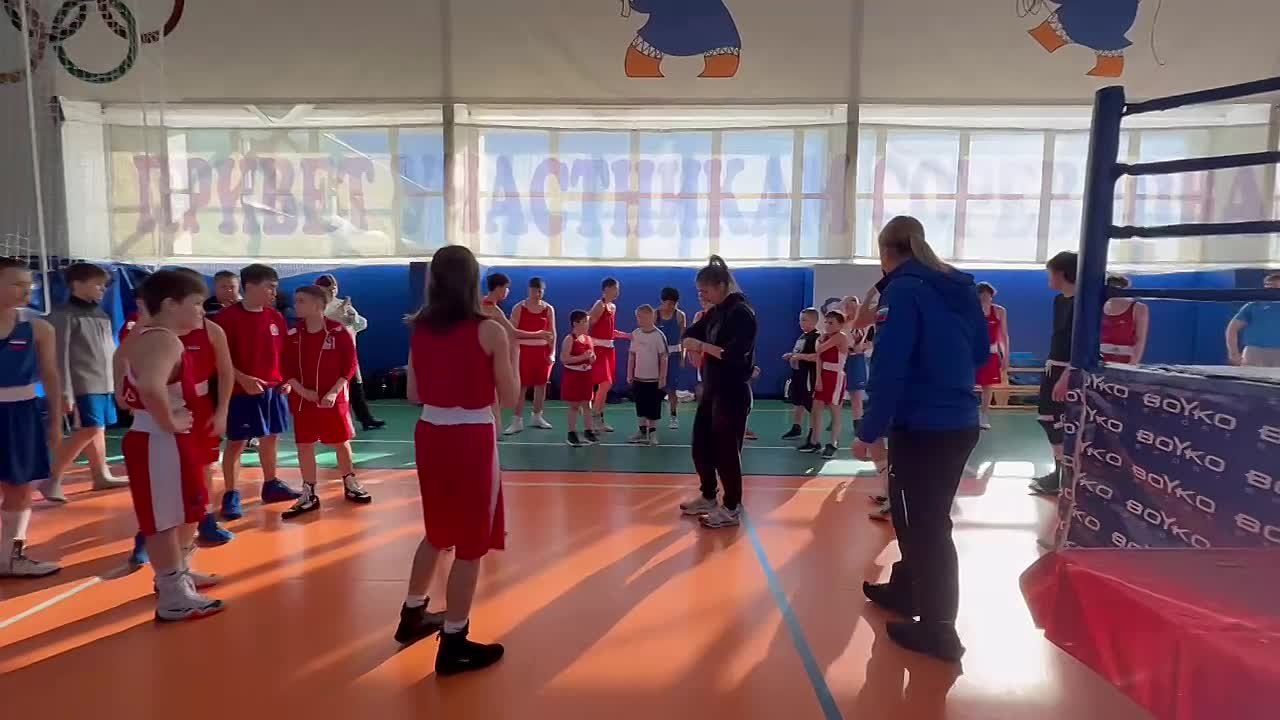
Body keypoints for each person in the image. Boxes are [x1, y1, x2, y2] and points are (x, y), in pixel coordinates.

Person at [852, 215, 987, 663]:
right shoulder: (957, 288)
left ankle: (939, 627)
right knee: (918, 517)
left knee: (925, 525)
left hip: (924, 425)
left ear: (886, 252)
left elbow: (889, 366)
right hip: (958, 420)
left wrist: (869, 430)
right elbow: (980, 352)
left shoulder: (904, 291)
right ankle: (907, 589)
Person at [400, 245, 515, 675]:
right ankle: (454, 642)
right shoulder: (489, 331)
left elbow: (412, 393)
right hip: (471, 437)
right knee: (470, 544)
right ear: (472, 280)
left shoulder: (419, 328)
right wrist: (510, 347)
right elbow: (510, 396)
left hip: (430, 432)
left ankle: (412, 614)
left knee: (437, 531)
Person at [119, 270, 226, 621]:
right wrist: (168, 421)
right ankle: (173, 595)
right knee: (164, 519)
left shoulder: (143, 336)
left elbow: (125, 373)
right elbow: (151, 386)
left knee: (174, 514)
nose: (202, 311)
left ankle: (177, 579)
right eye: (196, 303)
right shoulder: (165, 341)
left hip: (156, 438)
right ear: (170, 304)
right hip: (157, 440)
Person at [212, 264, 302, 520]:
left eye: (275, 288)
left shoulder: (275, 317)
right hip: (240, 391)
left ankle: (271, 484)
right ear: (249, 287)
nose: (274, 292)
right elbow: (218, 358)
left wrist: (286, 379)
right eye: (269, 287)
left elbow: (283, 353)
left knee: (271, 436)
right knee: (237, 442)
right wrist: (242, 378)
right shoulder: (226, 319)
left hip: (273, 390)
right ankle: (231, 493)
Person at [278, 286, 370, 519]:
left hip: (333, 399)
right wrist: (301, 391)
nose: (295, 305)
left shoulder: (338, 332)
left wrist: (333, 392)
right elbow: (285, 367)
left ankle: (350, 482)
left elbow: (349, 366)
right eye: (296, 301)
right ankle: (308, 491)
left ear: (318, 305)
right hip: (303, 401)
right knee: (304, 444)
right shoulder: (293, 335)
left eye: (301, 301)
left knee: (340, 441)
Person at [678, 256, 757, 529]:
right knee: (701, 446)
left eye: (705, 291)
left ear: (721, 286)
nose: (701, 296)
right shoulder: (716, 312)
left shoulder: (742, 313)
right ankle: (708, 496)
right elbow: (691, 332)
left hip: (732, 391)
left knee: (726, 453)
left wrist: (702, 346)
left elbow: (735, 354)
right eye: (699, 291)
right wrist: (691, 341)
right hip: (711, 390)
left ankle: (732, 507)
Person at [42, 262, 128, 502]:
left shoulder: (101, 314)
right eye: (97, 284)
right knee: (90, 428)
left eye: (104, 285)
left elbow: (109, 350)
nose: (103, 289)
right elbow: (58, 356)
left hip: (103, 382)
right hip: (82, 384)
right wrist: (65, 391)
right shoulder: (63, 315)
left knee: (98, 429)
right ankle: (52, 478)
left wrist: (116, 380)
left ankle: (101, 475)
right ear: (77, 284)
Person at [0, 257, 63, 577]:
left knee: (20, 487)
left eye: (29, 285)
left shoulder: (38, 327)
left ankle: (10, 557)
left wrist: (55, 420)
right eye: (16, 284)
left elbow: (51, 374)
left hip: (22, 414)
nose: (26, 291)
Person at [1029, 251, 1078, 496]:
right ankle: (1059, 473)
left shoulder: (1083, 303)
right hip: (1053, 367)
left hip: (1068, 370)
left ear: (1061, 273)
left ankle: (1066, 476)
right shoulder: (1060, 300)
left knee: (1061, 422)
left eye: (1051, 272)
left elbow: (1080, 344)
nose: (1048, 277)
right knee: (1048, 420)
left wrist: (1067, 375)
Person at [314, 274, 386, 431]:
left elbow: (361, 324)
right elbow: (318, 325)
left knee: (356, 385)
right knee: (331, 388)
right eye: (328, 288)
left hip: (348, 351)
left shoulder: (343, 304)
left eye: (334, 288)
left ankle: (366, 418)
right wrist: (337, 316)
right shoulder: (317, 306)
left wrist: (353, 318)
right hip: (328, 354)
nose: (332, 291)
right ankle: (326, 419)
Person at [794, 310, 850, 459]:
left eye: (831, 323)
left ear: (840, 325)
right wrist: (818, 379)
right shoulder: (825, 337)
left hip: (836, 376)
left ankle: (833, 444)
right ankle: (814, 442)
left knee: (835, 411)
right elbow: (819, 358)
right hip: (824, 374)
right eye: (826, 322)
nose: (827, 325)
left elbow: (819, 350)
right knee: (816, 409)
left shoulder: (840, 337)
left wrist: (820, 341)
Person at [505, 277, 556, 434]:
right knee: (521, 386)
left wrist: (552, 353)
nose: (537, 293)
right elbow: (512, 332)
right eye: (534, 290)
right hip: (523, 351)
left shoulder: (548, 309)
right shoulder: (519, 307)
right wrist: (536, 335)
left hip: (542, 353)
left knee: (541, 385)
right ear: (529, 290)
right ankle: (516, 420)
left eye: (540, 291)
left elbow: (553, 333)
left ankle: (537, 416)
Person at [588, 278, 631, 432]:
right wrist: (585, 346)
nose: (618, 292)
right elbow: (587, 325)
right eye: (615, 288)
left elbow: (609, 331)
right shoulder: (599, 305)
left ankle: (598, 418)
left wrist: (627, 335)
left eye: (618, 289)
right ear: (607, 289)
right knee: (604, 383)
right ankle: (594, 417)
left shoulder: (612, 307)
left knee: (607, 384)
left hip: (609, 349)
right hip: (598, 349)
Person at [627, 304, 669, 446]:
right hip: (639, 378)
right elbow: (632, 355)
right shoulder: (635, 334)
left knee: (653, 406)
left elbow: (664, 357)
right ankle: (642, 431)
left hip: (654, 379)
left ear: (652, 317)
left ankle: (652, 432)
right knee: (640, 405)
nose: (640, 320)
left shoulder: (659, 336)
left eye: (643, 317)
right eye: (638, 317)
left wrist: (662, 377)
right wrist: (630, 373)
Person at [561, 311, 600, 447]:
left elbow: (592, 357)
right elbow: (564, 359)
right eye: (584, 322)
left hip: (586, 375)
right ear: (575, 323)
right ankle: (571, 433)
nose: (587, 325)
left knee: (587, 404)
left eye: (587, 322)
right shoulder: (569, 339)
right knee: (574, 405)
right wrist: (583, 357)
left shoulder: (588, 339)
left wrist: (592, 358)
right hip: (573, 375)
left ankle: (588, 431)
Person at [974, 282, 1010, 429]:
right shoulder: (971, 310)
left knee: (988, 387)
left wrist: (1005, 356)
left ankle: (983, 416)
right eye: (981, 294)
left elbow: (1004, 335)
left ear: (991, 295)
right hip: (973, 354)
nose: (985, 297)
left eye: (987, 294)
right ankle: (968, 416)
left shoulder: (999, 311)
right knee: (967, 385)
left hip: (991, 353)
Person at [1226, 272, 1280, 368]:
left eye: (1276, 287)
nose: (1272, 290)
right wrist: (1233, 353)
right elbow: (1232, 328)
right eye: (1269, 286)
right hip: (1254, 353)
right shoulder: (1254, 305)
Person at [781, 308, 820, 440]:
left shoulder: (817, 337)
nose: (801, 323)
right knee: (797, 401)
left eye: (804, 320)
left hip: (808, 375)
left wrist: (798, 356)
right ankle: (796, 427)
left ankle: (813, 431)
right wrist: (791, 356)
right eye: (800, 320)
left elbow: (817, 356)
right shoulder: (802, 336)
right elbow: (798, 353)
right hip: (798, 374)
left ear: (814, 321)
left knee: (810, 404)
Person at [1100, 275, 1149, 365]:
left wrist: (1132, 364)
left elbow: (1140, 340)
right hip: (1100, 359)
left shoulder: (1139, 308)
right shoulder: (1098, 305)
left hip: (1125, 360)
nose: (1114, 292)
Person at [656, 288, 687, 430]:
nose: (671, 307)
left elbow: (683, 339)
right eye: (668, 303)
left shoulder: (680, 315)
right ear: (662, 302)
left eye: (674, 304)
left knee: (672, 389)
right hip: (657, 356)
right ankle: (652, 418)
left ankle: (674, 416)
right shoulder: (655, 315)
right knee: (654, 388)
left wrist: (683, 357)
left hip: (674, 356)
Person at [843, 296, 871, 434]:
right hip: (841, 360)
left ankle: (858, 423)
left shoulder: (865, 325)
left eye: (853, 307)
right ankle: (835, 420)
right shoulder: (841, 323)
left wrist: (862, 347)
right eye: (848, 307)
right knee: (836, 394)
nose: (850, 310)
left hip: (856, 360)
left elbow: (871, 341)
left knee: (856, 395)